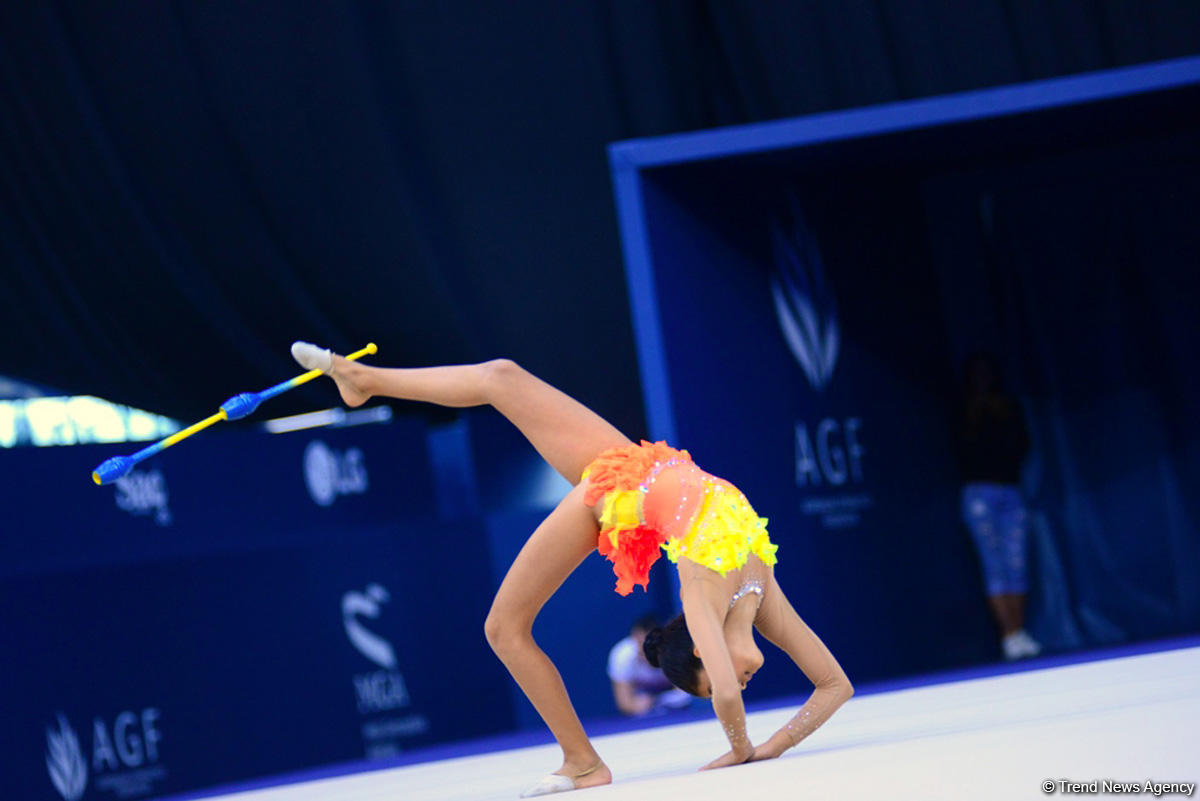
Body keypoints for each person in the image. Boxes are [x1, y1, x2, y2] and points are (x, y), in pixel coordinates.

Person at [291, 343, 854, 797]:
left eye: (705, 691)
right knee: (501, 375)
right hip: (634, 467)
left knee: (502, 629)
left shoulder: (707, 590)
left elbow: (790, 689)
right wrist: (747, 747)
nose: (736, 687)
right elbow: (808, 690)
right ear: (706, 653)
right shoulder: (743, 591)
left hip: (606, 499)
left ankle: (582, 762)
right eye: (713, 685)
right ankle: (361, 380)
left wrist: (757, 747)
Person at [957, 353, 1041, 660]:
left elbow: (1023, 444)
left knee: (1016, 562)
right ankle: (1008, 635)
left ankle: (1020, 631)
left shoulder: (1008, 406)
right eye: (976, 373)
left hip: (1010, 489)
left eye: (987, 372)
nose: (982, 378)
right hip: (979, 493)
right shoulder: (962, 410)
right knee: (994, 565)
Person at [608, 614, 691, 716]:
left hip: (680, 710)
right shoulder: (622, 655)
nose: (645, 649)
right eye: (639, 642)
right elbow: (624, 703)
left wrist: (661, 701)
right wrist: (641, 705)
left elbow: (686, 691)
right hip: (644, 712)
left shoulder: (672, 650)